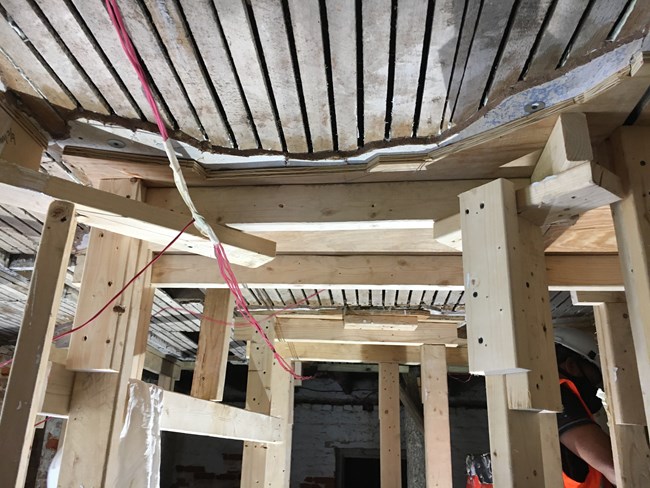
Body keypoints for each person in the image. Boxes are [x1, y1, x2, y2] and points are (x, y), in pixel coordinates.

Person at [554, 327, 616, 487]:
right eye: (593, 378)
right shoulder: (557, 396)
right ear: (572, 366)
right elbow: (620, 469)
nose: (594, 388)